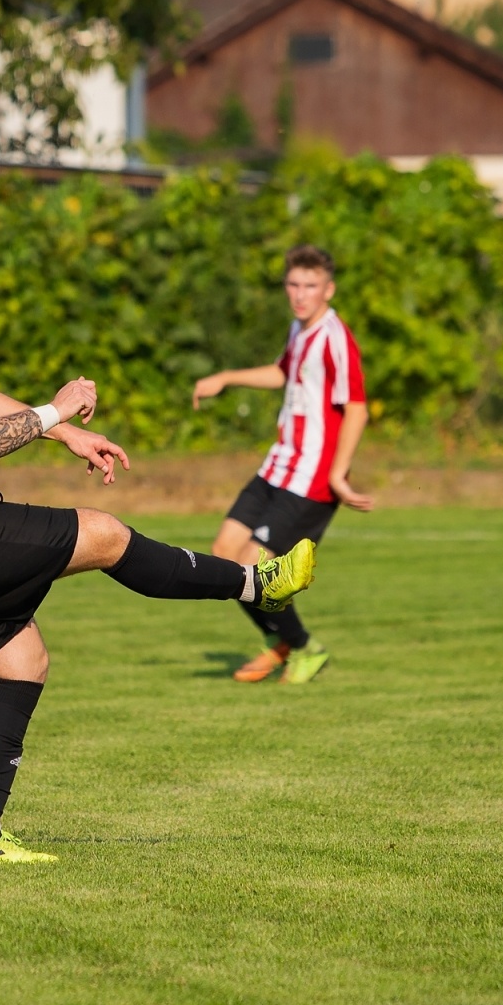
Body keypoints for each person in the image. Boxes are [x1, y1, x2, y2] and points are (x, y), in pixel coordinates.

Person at [0, 200, 317, 866]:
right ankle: (256, 585)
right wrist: (54, 405)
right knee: (104, 535)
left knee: (21, 663)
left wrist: (63, 431)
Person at [191, 244, 371, 685]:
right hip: (277, 467)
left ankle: (301, 647)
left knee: (256, 567)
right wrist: (226, 378)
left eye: (310, 286)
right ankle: (284, 642)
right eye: (293, 284)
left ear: (328, 289)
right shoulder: (299, 329)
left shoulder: (334, 338)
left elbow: (358, 408)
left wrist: (337, 474)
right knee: (224, 558)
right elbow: (284, 373)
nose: (300, 294)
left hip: (310, 479)